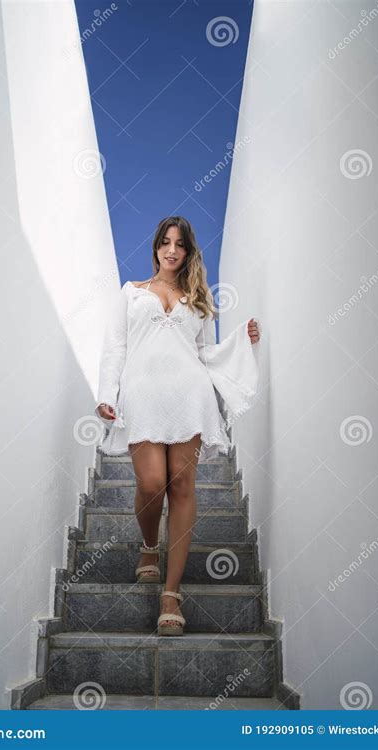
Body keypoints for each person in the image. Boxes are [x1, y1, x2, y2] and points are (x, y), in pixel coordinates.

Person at [95, 216, 261, 636]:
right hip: (142, 395)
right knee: (152, 483)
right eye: (166, 242)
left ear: (188, 252)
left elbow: (205, 354)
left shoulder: (197, 298)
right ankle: (149, 548)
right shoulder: (131, 293)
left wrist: (242, 338)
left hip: (190, 396)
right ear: (155, 247)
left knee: (183, 488)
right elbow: (115, 346)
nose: (172, 250)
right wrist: (106, 394)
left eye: (180, 244)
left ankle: (172, 594)